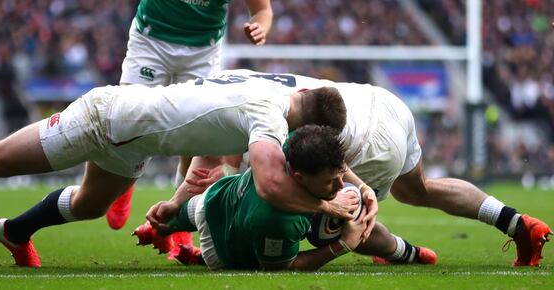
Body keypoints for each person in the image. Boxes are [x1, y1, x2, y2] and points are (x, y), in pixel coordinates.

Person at [0, 75, 365, 267]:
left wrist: (177, 204)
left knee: (89, 205)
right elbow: (272, 183)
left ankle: (17, 232)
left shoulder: (271, 93)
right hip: (106, 117)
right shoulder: (270, 117)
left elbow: (209, 146)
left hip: (135, 138)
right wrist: (326, 207)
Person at [182, 70, 552, 267]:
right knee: (418, 189)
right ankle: (517, 223)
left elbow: (233, 167)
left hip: (362, 144)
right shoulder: (252, 81)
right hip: (383, 104)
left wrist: (216, 184)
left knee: (327, 220)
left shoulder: (237, 106)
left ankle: (404, 252)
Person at [107, 0, 273, 233]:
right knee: (128, 119)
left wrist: (258, 28)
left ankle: (175, 223)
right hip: (152, 38)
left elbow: (262, 10)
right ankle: (123, 184)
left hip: (203, 50)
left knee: (199, 138)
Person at [137, 125, 435, 270]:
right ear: (299, 178)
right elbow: (286, 267)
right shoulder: (279, 221)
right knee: (347, 227)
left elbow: (339, 166)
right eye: (330, 182)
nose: (338, 186)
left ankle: (405, 252)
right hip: (222, 245)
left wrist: (364, 188)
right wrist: (344, 245)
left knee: (167, 219)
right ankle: (192, 252)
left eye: (338, 178)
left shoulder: (298, 146)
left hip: (221, 195)